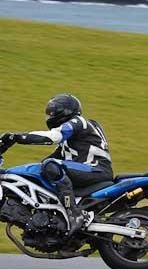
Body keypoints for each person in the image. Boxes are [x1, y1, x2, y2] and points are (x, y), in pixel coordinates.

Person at [0, 94, 113, 237]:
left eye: (52, 112)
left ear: (65, 111)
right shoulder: (71, 138)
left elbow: (53, 138)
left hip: (96, 170)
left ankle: (74, 214)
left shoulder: (78, 122)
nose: (49, 116)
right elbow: (51, 158)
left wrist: (17, 137)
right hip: (85, 170)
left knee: (51, 165)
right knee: (44, 167)